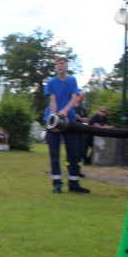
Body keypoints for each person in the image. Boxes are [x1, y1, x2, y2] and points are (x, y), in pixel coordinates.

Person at [45, 56, 90, 194]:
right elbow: (52, 100)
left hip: (69, 121)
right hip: (54, 122)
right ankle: (57, 184)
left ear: (66, 66)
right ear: (55, 67)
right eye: (57, 64)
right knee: (54, 154)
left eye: (62, 63)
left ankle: (74, 183)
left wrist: (64, 111)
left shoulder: (72, 81)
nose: (60, 66)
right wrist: (54, 116)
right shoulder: (51, 82)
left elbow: (74, 98)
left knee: (73, 154)